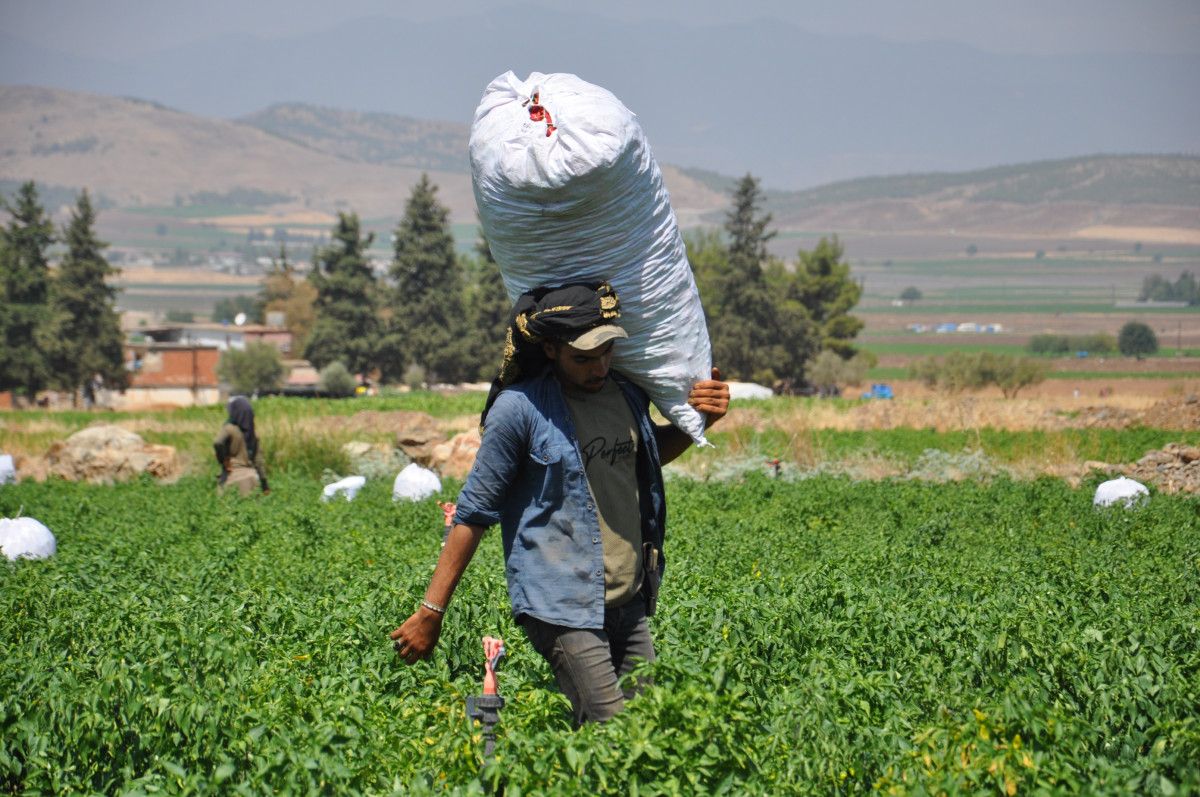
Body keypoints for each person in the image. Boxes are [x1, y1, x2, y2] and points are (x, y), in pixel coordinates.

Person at [389, 281, 729, 725]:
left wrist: (700, 422)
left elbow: (642, 455)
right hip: (561, 604)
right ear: (550, 349)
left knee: (648, 732)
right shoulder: (520, 410)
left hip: (628, 598)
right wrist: (431, 612)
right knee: (610, 729)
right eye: (583, 358)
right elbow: (473, 513)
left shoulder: (625, 394)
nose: (599, 367)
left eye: (606, 351)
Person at [213, 395, 270, 496]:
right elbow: (258, 462)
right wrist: (265, 485)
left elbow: (217, 442)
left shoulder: (229, 429)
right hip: (252, 479)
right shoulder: (253, 435)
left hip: (233, 477)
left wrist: (223, 460)